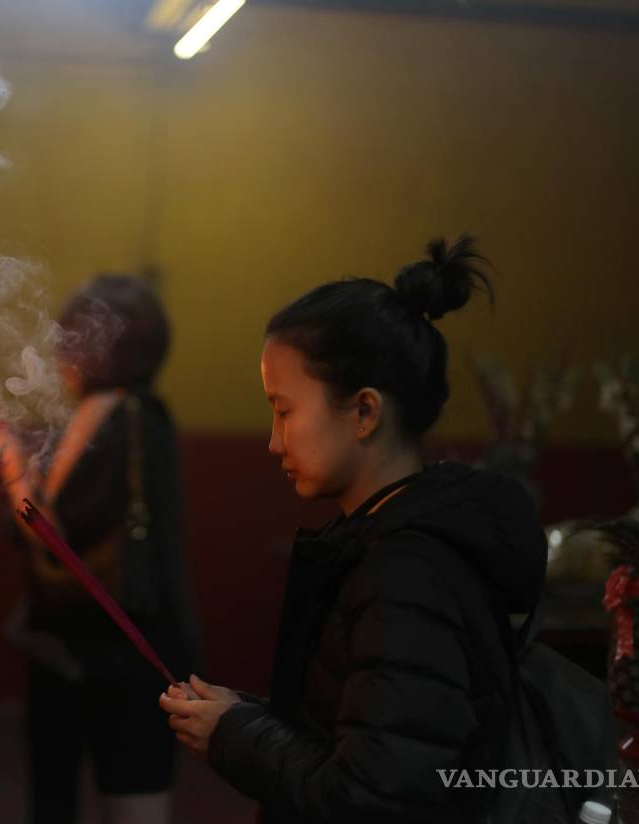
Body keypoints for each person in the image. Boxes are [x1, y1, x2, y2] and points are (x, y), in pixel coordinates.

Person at [158, 236, 547, 823]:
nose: (271, 440)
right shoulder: (383, 539)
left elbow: (374, 795)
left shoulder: (409, 572)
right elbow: (361, 727)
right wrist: (247, 718)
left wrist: (237, 736)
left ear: (364, 411)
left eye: (284, 411)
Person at [4, 274, 204, 824]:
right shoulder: (111, 412)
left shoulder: (127, 416)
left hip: (124, 658)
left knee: (133, 806)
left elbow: (52, 528)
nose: (60, 349)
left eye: (71, 335)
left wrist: (6, 466)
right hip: (74, 651)